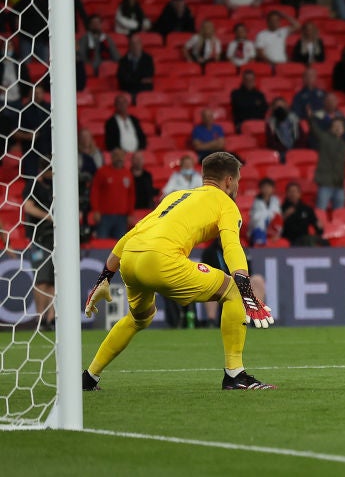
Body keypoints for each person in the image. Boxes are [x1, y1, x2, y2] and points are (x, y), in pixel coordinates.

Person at [82, 153, 275, 391]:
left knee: (139, 317)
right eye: (237, 180)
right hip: (161, 260)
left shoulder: (176, 196)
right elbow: (232, 245)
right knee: (233, 290)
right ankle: (235, 375)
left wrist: (105, 277)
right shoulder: (226, 203)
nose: (237, 185)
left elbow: (131, 234)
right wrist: (243, 283)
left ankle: (89, 378)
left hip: (131, 258)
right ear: (227, 181)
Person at [24, 167, 55, 329]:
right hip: (39, 238)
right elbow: (27, 207)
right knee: (41, 278)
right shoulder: (33, 185)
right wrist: (50, 217)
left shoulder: (56, 186)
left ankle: (51, 318)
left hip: (55, 238)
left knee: (53, 279)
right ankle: (40, 317)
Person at [90, 148, 135, 240]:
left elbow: (131, 195)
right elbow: (95, 192)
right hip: (104, 216)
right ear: (112, 157)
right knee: (102, 243)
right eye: (116, 156)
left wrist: (130, 213)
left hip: (122, 218)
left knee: (119, 246)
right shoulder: (102, 172)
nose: (119, 158)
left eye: (121, 156)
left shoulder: (128, 174)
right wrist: (96, 210)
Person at [310, 117, 345, 211]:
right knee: (321, 210)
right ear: (331, 128)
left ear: (343, 130)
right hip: (325, 182)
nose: (337, 128)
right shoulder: (325, 138)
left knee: (340, 212)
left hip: (339, 183)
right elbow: (315, 130)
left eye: (340, 126)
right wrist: (311, 118)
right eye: (335, 126)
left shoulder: (343, 144)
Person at [280, 182, 324, 246]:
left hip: (304, 239)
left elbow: (317, 227)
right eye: (290, 191)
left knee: (322, 242)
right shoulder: (280, 208)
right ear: (286, 194)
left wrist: (320, 227)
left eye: (295, 191)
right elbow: (275, 227)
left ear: (299, 194)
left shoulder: (307, 209)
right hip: (288, 239)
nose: (293, 194)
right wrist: (284, 215)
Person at [249, 178, 282, 246]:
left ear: (273, 189)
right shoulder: (255, 202)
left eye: (269, 187)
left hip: (273, 231)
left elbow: (278, 219)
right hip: (257, 231)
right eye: (264, 187)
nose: (267, 189)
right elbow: (254, 220)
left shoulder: (276, 201)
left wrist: (276, 233)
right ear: (260, 189)